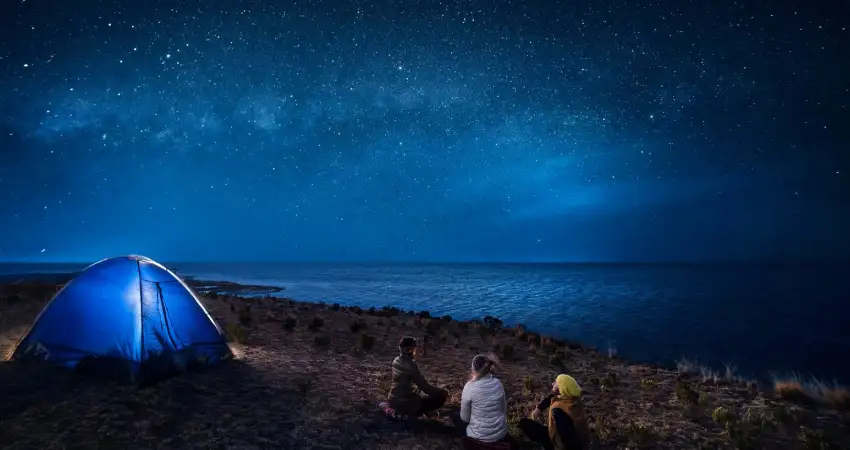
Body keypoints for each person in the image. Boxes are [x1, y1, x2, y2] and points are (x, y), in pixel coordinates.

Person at [454, 354, 518, 450]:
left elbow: (465, 418)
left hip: (478, 436)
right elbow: (503, 410)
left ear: (473, 369)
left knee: (456, 417)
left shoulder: (469, 386)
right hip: (500, 434)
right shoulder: (498, 383)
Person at [518, 374, 591, 450]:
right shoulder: (573, 399)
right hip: (581, 440)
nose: (553, 383)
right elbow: (553, 397)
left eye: (556, 382)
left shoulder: (559, 411)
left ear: (561, 389)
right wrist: (539, 409)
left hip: (558, 443)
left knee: (525, 424)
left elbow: (569, 439)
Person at [383, 336, 448, 419]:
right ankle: (415, 413)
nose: (416, 351)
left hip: (393, 400)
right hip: (405, 403)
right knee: (440, 397)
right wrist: (442, 391)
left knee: (419, 395)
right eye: (414, 349)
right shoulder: (411, 365)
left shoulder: (396, 360)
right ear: (410, 349)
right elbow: (425, 387)